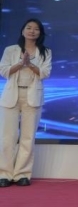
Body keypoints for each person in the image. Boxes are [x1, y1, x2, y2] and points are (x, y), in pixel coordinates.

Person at [0, 18, 52, 188]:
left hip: (33, 96)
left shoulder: (45, 52)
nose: (32, 31)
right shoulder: (11, 50)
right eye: (29, 28)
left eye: (36, 29)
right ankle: (4, 173)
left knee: (28, 137)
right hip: (12, 95)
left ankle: (22, 174)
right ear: (22, 31)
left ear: (40, 33)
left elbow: (45, 73)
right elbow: (4, 71)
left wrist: (29, 64)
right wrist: (20, 63)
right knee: (7, 137)